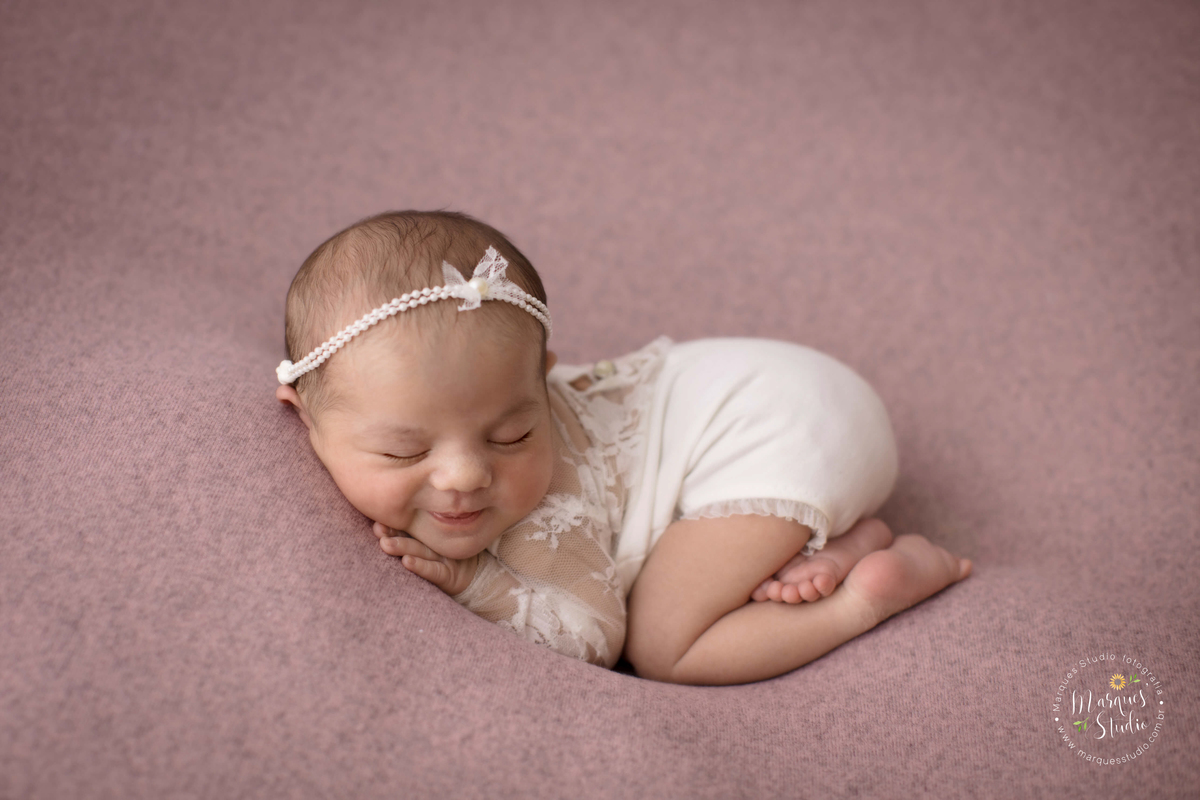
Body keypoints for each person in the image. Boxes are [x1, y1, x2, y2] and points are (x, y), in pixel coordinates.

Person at [274, 209, 973, 686]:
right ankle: (837, 542)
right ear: (302, 415)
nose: (465, 475)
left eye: (513, 433)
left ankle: (868, 593)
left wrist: (477, 582)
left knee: (668, 645)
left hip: (776, 422)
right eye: (403, 452)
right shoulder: (468, 408)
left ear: (545, 386)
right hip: (778, 384)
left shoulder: (549, 507)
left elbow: (598, 637)